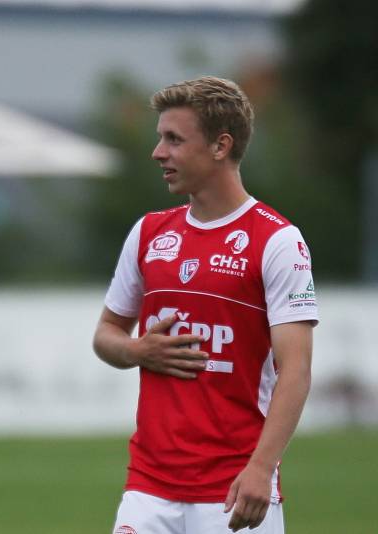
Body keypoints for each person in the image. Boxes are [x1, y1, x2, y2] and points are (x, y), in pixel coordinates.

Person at [93, 76, 317, 533]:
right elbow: (106, 334)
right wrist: (137, 351)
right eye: (160, 138)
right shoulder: (149, 233)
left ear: (221, 146)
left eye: (174, 139)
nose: (159, 152)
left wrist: (262, 467)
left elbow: (295, 369)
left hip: (234, 488)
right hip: (148, 487)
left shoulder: (277, 240)